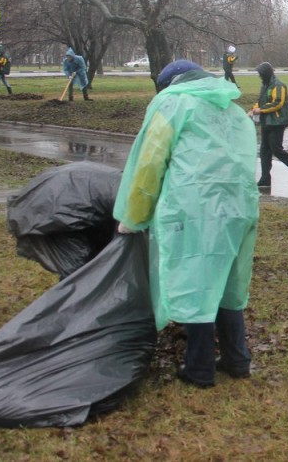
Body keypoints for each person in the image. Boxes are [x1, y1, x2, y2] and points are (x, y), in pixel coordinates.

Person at [113, 59, 259, 388]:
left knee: (199, 283)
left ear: (171, 83)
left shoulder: (174, 103)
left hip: (195, 209)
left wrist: (134, 217)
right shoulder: (233, 111)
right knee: (227, 285)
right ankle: (237, 360)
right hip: (239, 208)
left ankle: (200, 368)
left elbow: (150, 163)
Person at [249, 62, 288, 188]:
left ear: (266, 73)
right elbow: (261, 101)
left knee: (277, 149)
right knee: (264, 150)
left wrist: (261, 110)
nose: (259, 76)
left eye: (260, 73)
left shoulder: (279, 85)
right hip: (267, 122)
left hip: (277, 123)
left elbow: (278, 103)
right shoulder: (265, 85)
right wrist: (254, 109)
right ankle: (265, 178)